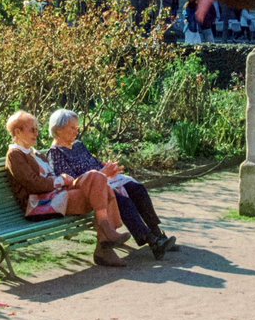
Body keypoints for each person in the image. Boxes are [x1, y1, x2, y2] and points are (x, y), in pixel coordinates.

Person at [4, 111, 130, 268]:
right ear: (17, 132)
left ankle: (105, 238)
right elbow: (33, 184)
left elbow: (50, 177)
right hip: (38, 204)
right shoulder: (15, 155)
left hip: (56, 195)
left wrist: (62, 179)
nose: (37, 134)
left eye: (37, 129)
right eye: (32, 130)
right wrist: (59, 180)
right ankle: (105, 242)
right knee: (102, 187)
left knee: (98, 180)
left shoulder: (34, 153)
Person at [47, 109, 177, 260]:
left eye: (77, 127)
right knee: (121, 200)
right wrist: (103, 173)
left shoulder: (78, 146)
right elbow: (71, 182)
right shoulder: (55, 153)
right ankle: (152, 241)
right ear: (58, 129)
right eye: (72, 128)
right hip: (89, 193)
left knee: (137, 189)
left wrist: (110, 169)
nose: (77, 131)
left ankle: (157, 233)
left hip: (103, 182)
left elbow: (95, 164)